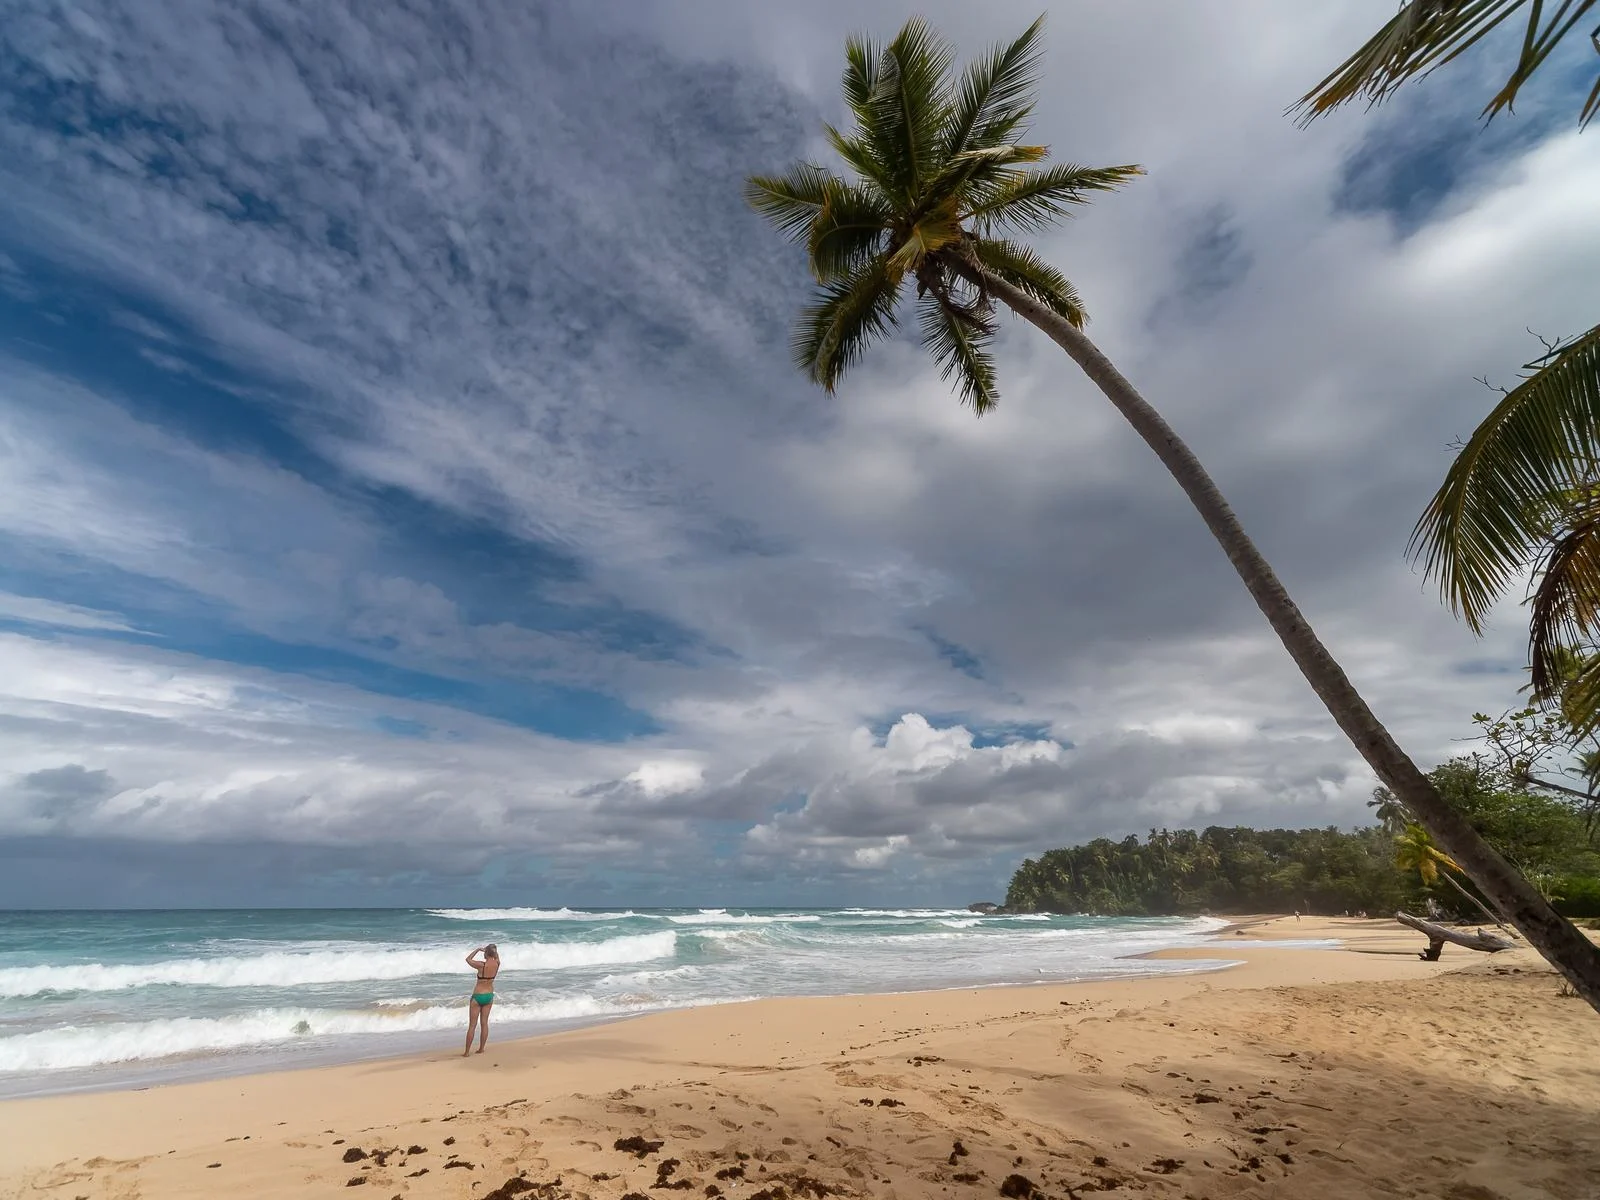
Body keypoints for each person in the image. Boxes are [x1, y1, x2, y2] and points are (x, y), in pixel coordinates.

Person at [463, 944, 498, 1056]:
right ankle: (481, 1048)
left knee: (472, 1025)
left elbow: (468, 959)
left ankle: (467, 1052)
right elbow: (496, 956)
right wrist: (493, 952)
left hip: (478, 996)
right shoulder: (497, 964)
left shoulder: (481, 965)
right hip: (489, 996)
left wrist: (477, 949)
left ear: (486, 953)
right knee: (484, 1024)